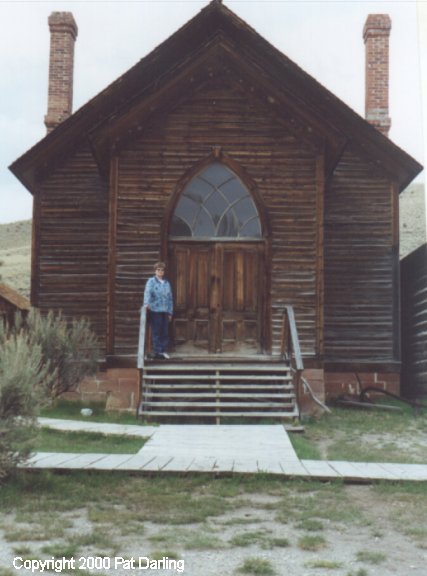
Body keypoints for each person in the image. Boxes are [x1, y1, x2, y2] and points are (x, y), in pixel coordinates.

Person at [143, 261, 173, 359]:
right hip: (155, 310)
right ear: (155, 271)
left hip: (165, 310)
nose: (160, 272)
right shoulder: (151, 281)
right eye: (158, 270)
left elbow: (169, 298)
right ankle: (157, 351)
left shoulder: (166, 283)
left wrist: (170, 312)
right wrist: (146, 304)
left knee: (164, 331)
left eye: (162, 270)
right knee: (156, 331)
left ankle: (163, 351)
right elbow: (147, 293)